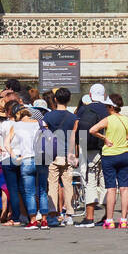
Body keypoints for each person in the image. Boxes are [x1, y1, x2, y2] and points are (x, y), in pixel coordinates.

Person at [87, 93, 128, 229]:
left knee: (111, 188)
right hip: (123, 155)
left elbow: (92, 130)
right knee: (124, 188)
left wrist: (104, 138)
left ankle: (109, 219)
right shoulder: (126, 120)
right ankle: (124, 219)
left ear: (110, 107)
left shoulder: (108, 119)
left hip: (109, 155)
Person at [4, 105, 48, 229]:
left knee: (30, 193)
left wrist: (14, 156)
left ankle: (33, 220)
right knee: (43, 191)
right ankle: (44, 220)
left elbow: (6, 143)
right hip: (42, 160)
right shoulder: (41, 123)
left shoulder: (16, 126)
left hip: (26, 159)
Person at [75, 84, 111, 227]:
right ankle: (106, 216)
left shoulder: (85, 109)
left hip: (89, 149)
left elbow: (79, 131)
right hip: (107, 149)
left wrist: (78, 149)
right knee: (105, 181)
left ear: (90, 95)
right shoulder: (108, 110)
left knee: (90, 180)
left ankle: (89, 217)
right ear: (104, 95)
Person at [42, 88, 78, 226]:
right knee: (68, 184)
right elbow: (73, 137)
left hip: (52, 155)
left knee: (52, 184)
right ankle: (69, 214)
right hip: (67, 154)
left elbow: (44, 134)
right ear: (69, 100)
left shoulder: (48, 117)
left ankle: (52, 214)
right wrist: (73, 155)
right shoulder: (73, 118)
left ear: (55, 99)